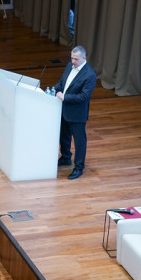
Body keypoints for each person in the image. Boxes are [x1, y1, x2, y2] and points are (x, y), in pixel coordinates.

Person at [54, 46, 96, 180]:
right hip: (64, 110)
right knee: (64, 136)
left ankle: (79, 167)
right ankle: (66, 157)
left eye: (76, 59)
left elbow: (84, 96)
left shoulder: (90, 75)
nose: (73, 61)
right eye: (72, 58)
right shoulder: (69, 66)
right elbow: (62, 83)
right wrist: (54, 89)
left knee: (79, 141)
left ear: (84, 57)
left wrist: (65, 97)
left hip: (77, 114)